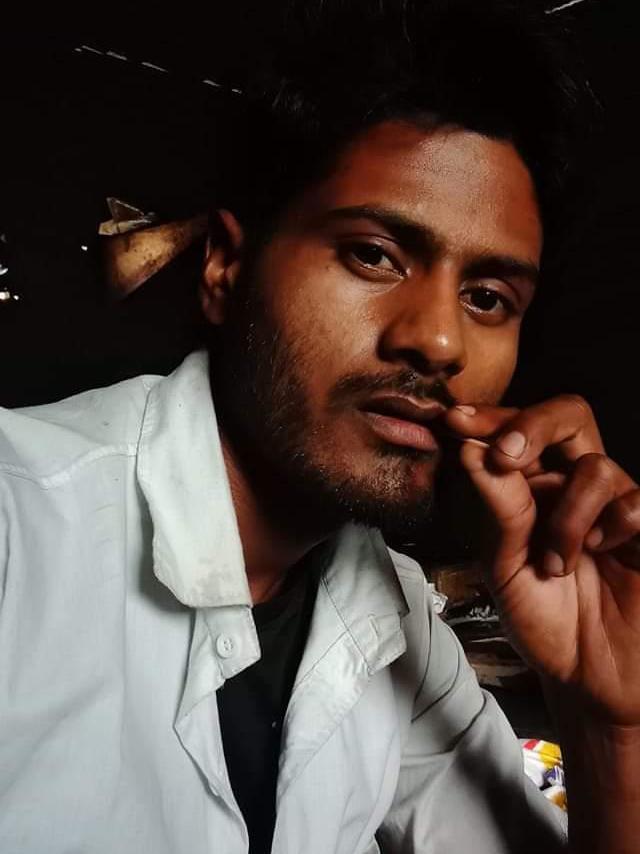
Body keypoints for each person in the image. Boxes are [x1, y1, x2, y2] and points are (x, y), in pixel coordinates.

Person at [1, 2, 639, 852]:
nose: (441, 341)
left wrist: (608, 728)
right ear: (226, 267)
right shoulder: (19, 531)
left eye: (488, 297)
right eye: (373, 254)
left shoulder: (395, 614)